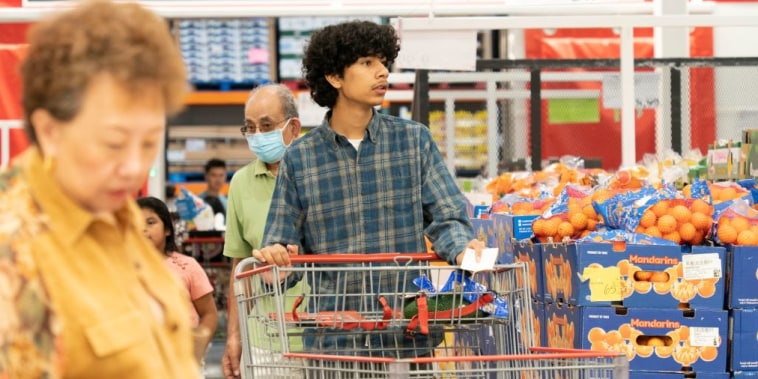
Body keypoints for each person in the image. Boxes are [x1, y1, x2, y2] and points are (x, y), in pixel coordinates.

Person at [253, 19, 484, 367]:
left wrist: (464, 249)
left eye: (383, 62)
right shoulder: (300, 158)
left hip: (405, 340)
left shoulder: (413, 141)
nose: (382, 72)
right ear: (334, 76)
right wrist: (278, 265)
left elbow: (446, 217)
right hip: (333, 343)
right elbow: (283, 245)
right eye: (367, 63)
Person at [0, 1, 199, 378]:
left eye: (148, 143)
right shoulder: (16, 254)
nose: (133, 167)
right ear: (49, 131)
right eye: (112, 143)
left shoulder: (117, 215)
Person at [221, 84, 308, 379]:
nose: (257, 135)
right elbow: (239, 266)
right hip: (264, 340)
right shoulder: (241, 183)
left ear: (293, 127)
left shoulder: (321, 174)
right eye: (250, 128)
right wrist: (234, 336)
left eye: (267, 126)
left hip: (324, 335)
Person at [137, 196, 218, 375]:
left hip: (183, 360)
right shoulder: (123, 268)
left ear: (167, 229)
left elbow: (209, 313)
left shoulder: (187, 266)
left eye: (151, 222)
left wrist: (198, 347)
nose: (142, 229)